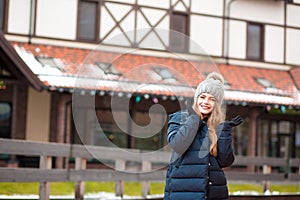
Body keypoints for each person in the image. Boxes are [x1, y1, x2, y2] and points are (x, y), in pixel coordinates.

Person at [164, 71, 243, 200]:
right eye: (203, 97)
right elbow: (177, 145)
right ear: (196, 98)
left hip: (213, 192)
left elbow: (225, 161)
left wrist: (224, 131)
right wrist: (194, 119)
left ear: (217, 104)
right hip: (183, 191)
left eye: (212, 99)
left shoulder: (217, 126)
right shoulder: (179, 118)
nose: (206, 102)